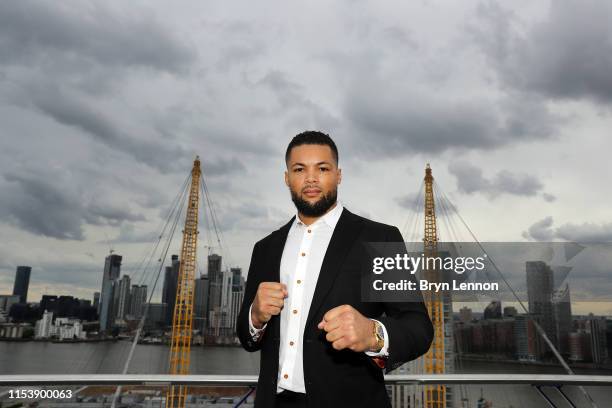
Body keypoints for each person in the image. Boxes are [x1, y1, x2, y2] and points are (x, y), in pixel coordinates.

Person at [237, 131, 433, 408]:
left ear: (338, 175)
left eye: (323, 168)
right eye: (299, 169)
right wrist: (255, 317)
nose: (311, 178)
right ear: (287, 178)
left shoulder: (380, 239)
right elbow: (247, 339)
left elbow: (419, 328)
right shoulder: (265, 248)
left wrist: (372, 333)